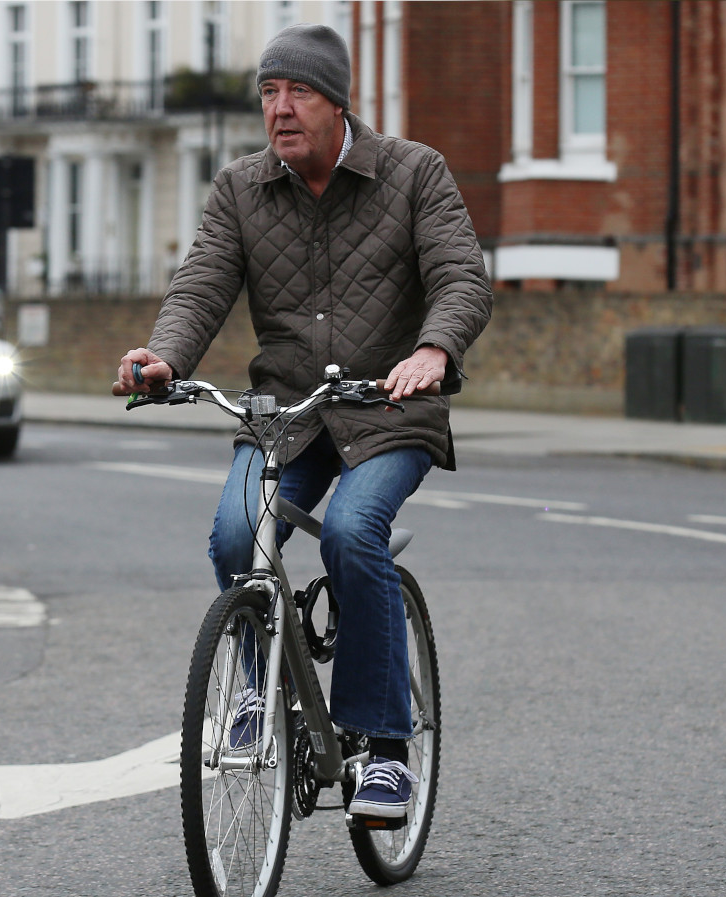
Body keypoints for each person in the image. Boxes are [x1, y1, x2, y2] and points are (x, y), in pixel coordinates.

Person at [117, 22, 491, 818]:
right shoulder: (240, 189)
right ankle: (257, 688)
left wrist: (433, 348)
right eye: (268, 93)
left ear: (337, 102)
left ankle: (384, 748)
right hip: (288, 414)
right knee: (232, 534)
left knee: (357, 531)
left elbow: (463, 277)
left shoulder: (414, 173)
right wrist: (164, 359)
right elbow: (200, 286)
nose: (279, 109)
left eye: (298, 93)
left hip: (390, 409)